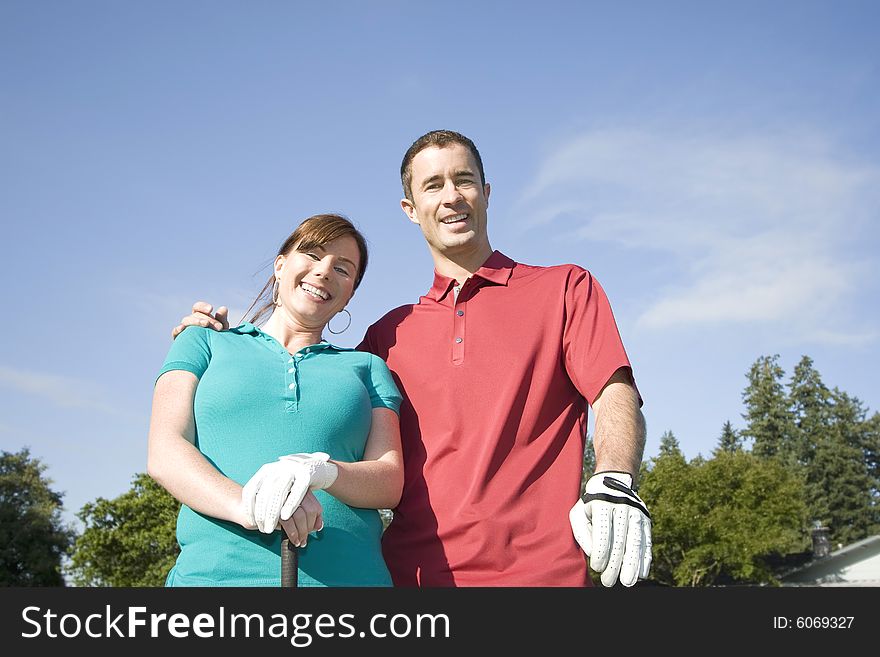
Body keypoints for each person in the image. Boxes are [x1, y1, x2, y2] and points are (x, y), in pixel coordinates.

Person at [173, 131, 651, 587]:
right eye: (433, 185)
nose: (452, 196)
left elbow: (614, 391)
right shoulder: (386, 336)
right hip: (408, 582)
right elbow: (302, 398)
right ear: (410, 209)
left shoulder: (565, 289)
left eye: (463, 180)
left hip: (540, 575)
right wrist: (220, 341)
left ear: (485, 192)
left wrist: (614, 477)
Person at [150, 213, 403, 586]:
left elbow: (388, 480)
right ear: (281, 265)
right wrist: (250, 505)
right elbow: (165, 450)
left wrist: (321, 469)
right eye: (312, 254)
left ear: (350, 295)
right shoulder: (203, 341)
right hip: (215, 579)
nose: (324, 271)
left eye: (343, 269)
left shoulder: (366, 367)